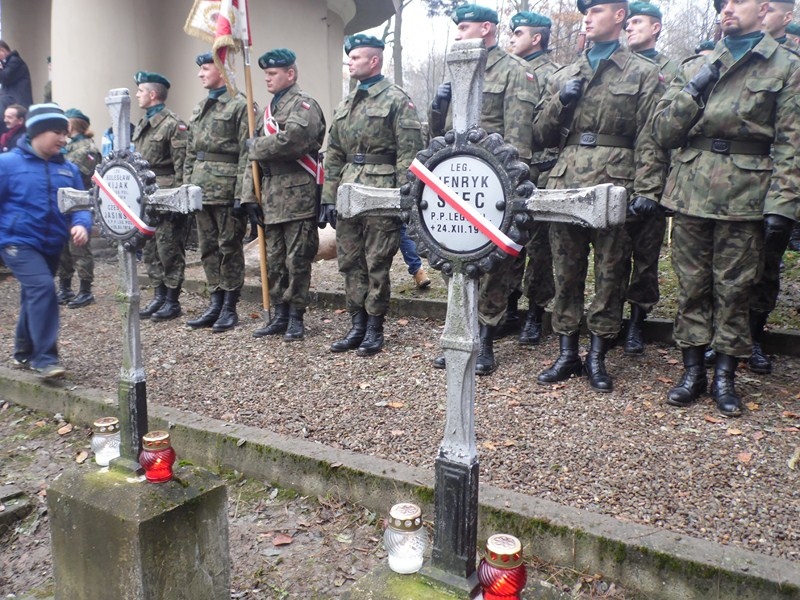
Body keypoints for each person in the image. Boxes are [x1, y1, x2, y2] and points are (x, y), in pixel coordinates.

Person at [652, 0, 800, 417]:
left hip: (746, 194)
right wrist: (694, 89)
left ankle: (725, 376)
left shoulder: (786, 66)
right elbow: (663, 132)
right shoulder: (697, 65)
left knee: (735, 290)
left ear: (764, 8)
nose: (727, 9)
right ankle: (692, 372)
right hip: (692, 190)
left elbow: (791, 143)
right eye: (722, 4)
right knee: (691, 287)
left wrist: (783, 203)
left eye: (737, 1)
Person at [532, 0, 667, 393]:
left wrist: (648, 188)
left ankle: (597, 355)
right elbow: (539, 134)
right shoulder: (564, 74)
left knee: (611, 273)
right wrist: (561, 100)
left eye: (596, 10)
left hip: (616, 183)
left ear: (619, 16)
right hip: (567, 183)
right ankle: (566, 352)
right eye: (585, 12)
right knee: (565, 272)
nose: (587, 18)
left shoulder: (643, 72)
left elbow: (651, 137)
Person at [429, 4, 539, 374]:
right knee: (454, 257)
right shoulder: (458, 71)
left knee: (492, 265)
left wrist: (511, 189)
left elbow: (519, 139)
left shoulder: (514, 70)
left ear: (487, 28)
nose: (458, 34)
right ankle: (461, 332)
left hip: (494, 183)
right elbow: (444, 135)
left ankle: (486, 339)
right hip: (457, 180)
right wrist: (438, 107)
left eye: (464, 27)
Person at [320, 34, 423, 356]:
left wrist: (404, 198)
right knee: (350, 261)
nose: (349, 62)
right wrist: (329, 197)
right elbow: (334, 153)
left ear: (374, 60)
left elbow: (409, 154)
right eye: (349, 57)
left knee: (377, 261)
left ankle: (375, 327)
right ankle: (357, 324)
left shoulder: (396, 100)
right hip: (349, 190)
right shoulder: (346, 104)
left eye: (356, 58)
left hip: (382, 191)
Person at [0, 103, 92, 379]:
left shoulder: (68, 169)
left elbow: (81, 204)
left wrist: (81, 224)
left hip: (52, 244)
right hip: (17, 242)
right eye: (57, 132)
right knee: (42, 288)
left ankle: (23, 350)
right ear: (37, 132)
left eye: (65, 133)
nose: (64, 139)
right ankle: (45, 358)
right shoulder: (8, 164)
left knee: (34, 293)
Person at [242, 48, 325, 341]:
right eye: (265, 74)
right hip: (270, 197)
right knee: (273, 261)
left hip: (298, 197)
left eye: (273, 73)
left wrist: (256, 146)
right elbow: (252, 162)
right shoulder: (266, 113)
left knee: (297, 260)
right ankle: (279, 313)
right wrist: (249, 196)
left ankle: (296, 316)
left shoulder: (304, 105)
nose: (267, 78)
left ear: (290, 74)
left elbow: (294, 142)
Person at [618, 0, 677, 356]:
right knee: (612, 255)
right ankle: (610, 319)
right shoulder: (619, 66)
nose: (630, 27)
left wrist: (658, 186)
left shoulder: (673, 70)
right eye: (628, 22)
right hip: (618, 174)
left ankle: (638, 321)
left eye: (637, 22)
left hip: (654, 178)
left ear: (655, 27)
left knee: (645, 256)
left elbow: (669, 131)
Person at [184, 52, 250, 332]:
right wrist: (186, 187)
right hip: (201, 188)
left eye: (205, 68)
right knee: (208, 248)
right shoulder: (200, 107)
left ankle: (229, 306)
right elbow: (190, 151)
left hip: (226, 188)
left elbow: (247, 153)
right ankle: (215, 301)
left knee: (229, 247)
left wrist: (243, 193)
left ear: (222, 71)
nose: (200, 73)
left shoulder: (240, 105)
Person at [507, 10, 559, 347]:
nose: (511, 39)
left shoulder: (553, 75)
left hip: (542, 169)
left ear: (536, 38)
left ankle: (535, 314)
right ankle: (508, 308)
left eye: (518, 33)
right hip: (510, 170)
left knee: (539, 248)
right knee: (509, 241)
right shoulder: (508, 71)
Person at [132, 71, 189, 322]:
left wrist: (179, 202)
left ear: (153, 94)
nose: (137, 95)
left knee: (169, 248)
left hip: (166, 194)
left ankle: (172, 300)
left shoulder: (173, 124)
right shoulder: (144, 123)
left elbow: (182, 165)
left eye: (140, 91)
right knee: (151, 248)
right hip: (145, 194)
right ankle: (159, 294)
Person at [56, 109, 100, 309]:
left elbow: (79, 173)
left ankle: (85, 290)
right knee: (63, 249)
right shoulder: (68, 146)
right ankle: (65, 287)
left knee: (79, 248)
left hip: (79, 203)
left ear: (72, 125)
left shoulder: (87, 149)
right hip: (63, 203)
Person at [0, 41, 33, 135]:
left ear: (2, 50)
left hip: (18, 104)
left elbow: (5, 78)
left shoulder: (15, 61)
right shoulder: (8, 63)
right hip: (12, 103)